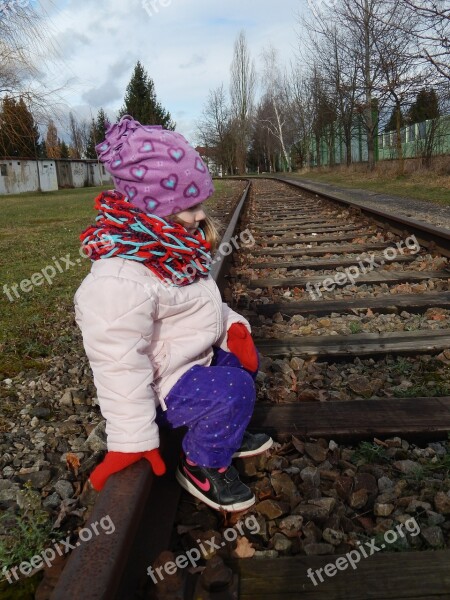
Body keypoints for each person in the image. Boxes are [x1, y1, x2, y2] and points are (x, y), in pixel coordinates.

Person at [74, 115, 273, 512]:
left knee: (242, 366)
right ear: (154, 206)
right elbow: (118, 362)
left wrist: (232, 327)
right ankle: (202, 463)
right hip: (160, 387)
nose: (200, 215)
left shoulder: (169, 245)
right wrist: (132, 439)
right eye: (190, 206)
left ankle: (224, 429)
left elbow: (200, 304)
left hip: (184, 361)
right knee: (235, 389)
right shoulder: (120, 278)